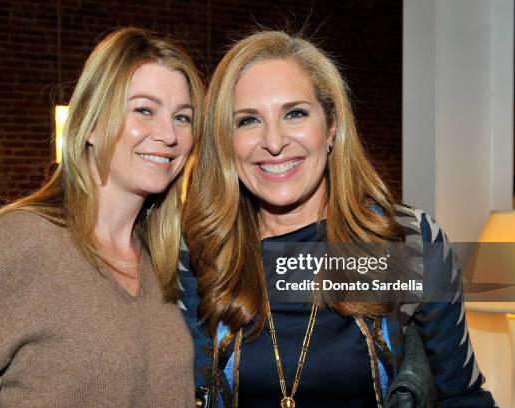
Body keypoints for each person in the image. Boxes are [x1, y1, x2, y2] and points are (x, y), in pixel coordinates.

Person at [179, 31, 495, 407]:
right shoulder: (202, 250)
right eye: (247, 121)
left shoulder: (406, 240)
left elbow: (462, 395)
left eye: (295, 113)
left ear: (330, 128)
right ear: (225, 142)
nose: (274, 141)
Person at [0, 27, 203, 407]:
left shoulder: (160, 259)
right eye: (144, 109)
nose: (169, 134)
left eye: (183, 117)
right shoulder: (21, 244)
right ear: (92, 124)